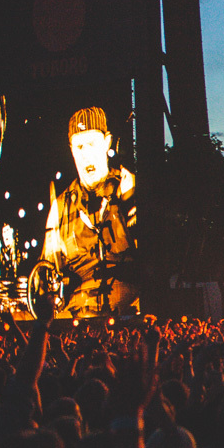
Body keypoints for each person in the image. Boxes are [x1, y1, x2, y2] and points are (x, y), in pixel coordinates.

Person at [40, 107, 137, 316]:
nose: (85, 154)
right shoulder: (59, 208)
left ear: (107, 142)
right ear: (71, 150)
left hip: (128, 313)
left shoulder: (129, 188)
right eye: (79, 146)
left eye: (91, 144)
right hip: (76, 315)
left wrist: (130, 200)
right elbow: (46, 275)